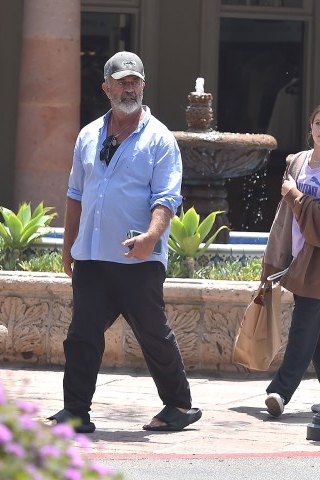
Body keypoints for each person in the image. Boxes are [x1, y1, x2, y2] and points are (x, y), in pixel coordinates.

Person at [47, 51, 202, 432]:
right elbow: (75, 196)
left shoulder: (160, 139)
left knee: (152, 334)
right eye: (121, 81)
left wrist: (151, 237)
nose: (128, 86)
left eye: (134, 80)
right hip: (93, 258)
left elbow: (166, 198)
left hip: (138, 257)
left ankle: (179, 406)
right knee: (81, 335)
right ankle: (76, 412)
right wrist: (70, 247)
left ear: (143, 86)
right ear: (107, 88)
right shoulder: (87, 135)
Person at [261, 100, 320, 417]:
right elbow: (283, 217)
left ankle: (280, 392)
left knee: (304, 326)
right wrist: (275, 254)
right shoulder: (298, 162)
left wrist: (295, 194)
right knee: (318, 329)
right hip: (298, 255)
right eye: (317, 123)